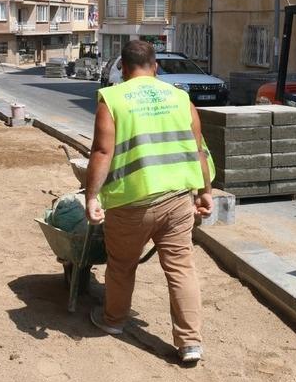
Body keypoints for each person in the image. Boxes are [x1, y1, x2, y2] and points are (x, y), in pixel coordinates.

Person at [85, 40, 214, 364]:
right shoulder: (180, 98)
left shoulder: (113, 98)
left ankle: (113, 321)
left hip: (131, 203)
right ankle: (190, 343)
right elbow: (197, 149)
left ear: (124, 69)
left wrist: (91, 196)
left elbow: (102, 152)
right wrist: (205, 191)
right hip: (177, 200)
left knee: (122, 265)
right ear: (155, 67)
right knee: (181, 268)